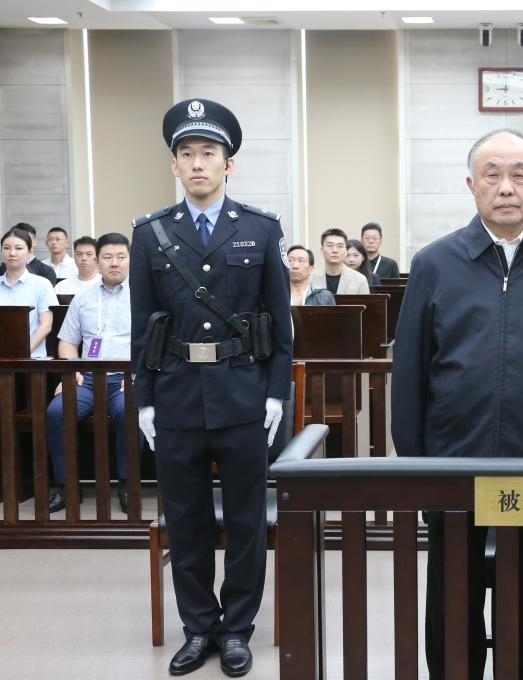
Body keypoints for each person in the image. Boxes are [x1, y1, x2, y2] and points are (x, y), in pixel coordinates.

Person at [391, 128, 523, 680]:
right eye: (492, 175)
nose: (506, 187)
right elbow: (410, 373)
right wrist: (418, 469)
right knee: (453, 599)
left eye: (519, 175)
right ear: (471, 184)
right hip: (452, 463)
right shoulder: (435, 263)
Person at [129, 98, 292, 678]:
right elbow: (142, 324)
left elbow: (280, 321)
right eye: (187, 154)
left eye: (209, 153)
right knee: (186, 518)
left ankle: (238, 628)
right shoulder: (150, 234)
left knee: (247, 519)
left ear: (229, 164)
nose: (198, 163)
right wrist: (144, 400)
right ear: (174, 165)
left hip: (243, 393)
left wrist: (275, 394)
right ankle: (198, 626)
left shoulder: (260, 228)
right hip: (176, 395)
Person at [46, 233, 133, 514]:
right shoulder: (83, 297)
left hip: (126, 378)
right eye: (107, 257)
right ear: (97, 260)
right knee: (56, 412)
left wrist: (137, 378)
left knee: (130, 410)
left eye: (121, 257)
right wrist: (71, 371)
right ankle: (65, 485)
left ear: (130, 260)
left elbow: (153, 344)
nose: (114, 263)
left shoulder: (143, 297)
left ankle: (127, 483)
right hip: (86, 377)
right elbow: (67, 342)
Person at [1, 227, 57, 358]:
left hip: (31, 359)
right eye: (6, 248)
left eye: (19, 248)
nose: (12, 253)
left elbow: (46, 325)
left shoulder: (42, 284)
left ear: (29, 252)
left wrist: (22, 352)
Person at [311, 228, 370, 295]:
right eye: (330, 245)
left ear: (346, 251)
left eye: (340, 246)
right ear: (322, 250)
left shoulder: (360, 280)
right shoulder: (311, 279)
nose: (335, 250)